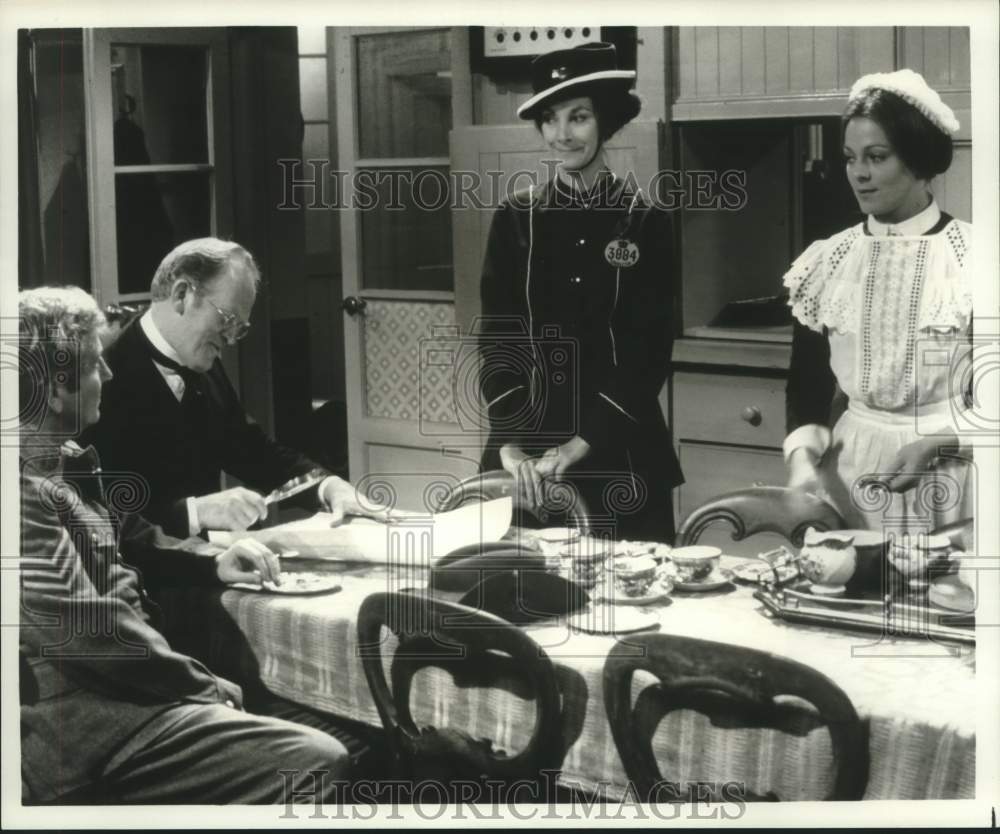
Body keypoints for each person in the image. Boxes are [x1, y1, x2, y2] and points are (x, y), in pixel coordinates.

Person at [18, 286, 349, 803]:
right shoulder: (17, 494)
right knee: (313, 760)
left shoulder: (71, 460)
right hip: (85, 725)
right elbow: (91, 629)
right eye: (93, 366)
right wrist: (200, 686)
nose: (107, 375)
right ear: (54, 390)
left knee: (293, 712)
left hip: (132, 686)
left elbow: (134, 535)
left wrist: (216, 559)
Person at [478, 43, 683, 543]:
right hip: (523, 450)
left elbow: (646, 353)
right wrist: (509, 443)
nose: (561, 134)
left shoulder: (645, 221)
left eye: (579, 117)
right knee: (521, 599)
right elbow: (498, 337)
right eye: (550, 119)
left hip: (619, 447)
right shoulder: (514, 218)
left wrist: (579, 445)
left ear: (605, 121)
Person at [84, 237, 385, 538]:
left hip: (211, 563)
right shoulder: (103, 376)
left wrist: (329, 487)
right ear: (182, 295)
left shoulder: (200, 359)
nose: (229, 340)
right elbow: (96, 515)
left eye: (239, 329)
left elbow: (251, 450)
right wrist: (195, 512)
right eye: (227, 320)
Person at [783, 69, 973, 531]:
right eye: (850, 158)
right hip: (850, 472)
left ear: (918, 160)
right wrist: (803, 461)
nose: (859, 174)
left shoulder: (976, 257)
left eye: (877, 157)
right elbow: (806, 386)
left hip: (950, 468)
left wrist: (942, 441)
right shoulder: (830, 260)